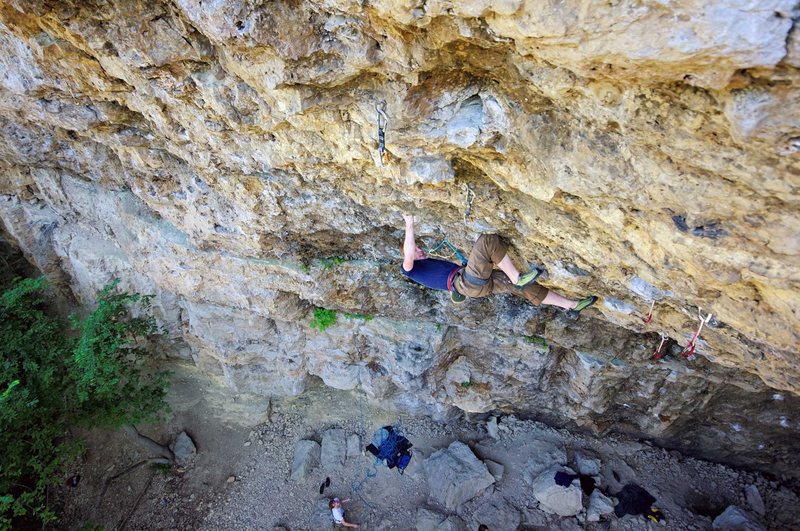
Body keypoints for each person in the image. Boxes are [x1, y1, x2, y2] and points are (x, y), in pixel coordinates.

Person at [401, 214, 597, 315]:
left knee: (525, 288)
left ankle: (572, 305)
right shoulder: (409, 269)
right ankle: (516, 277)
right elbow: (409, 253)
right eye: (417, 250)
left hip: (475, 286)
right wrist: (409, 224)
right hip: (466, 283)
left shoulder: (424, 267)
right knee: (487, 242)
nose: (420, 250)